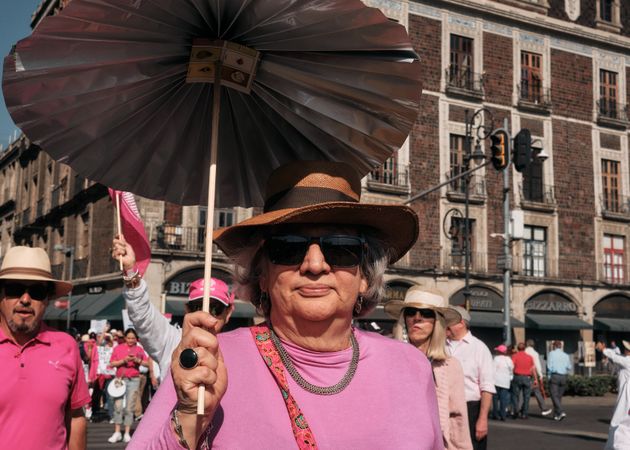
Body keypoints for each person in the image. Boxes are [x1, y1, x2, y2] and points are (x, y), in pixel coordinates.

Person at [131, 161, 443, 449]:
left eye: (340, 248)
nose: (315, 264)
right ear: (262, 275)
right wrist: (189, 415)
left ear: (365, 275)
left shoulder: (412, 367)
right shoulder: (208, 362)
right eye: (289, 248)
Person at [0, 246, 91, 449]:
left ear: (48, 299)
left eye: (37, 291)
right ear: (1, 295)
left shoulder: (67, 346)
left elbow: (76, 417)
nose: (25, 299)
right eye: (15, 289)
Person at [111, 235, 235, 381]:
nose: (205, 314)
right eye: (197, 306)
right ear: (187, 310)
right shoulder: (172, 341)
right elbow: (143, 316)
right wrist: (130, 270)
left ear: (228, 312)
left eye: (215, 308)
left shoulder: (239, 350)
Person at [386, 286, 472, 449]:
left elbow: (458, 419)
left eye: (426, 313)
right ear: (404, 318)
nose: (417, 318)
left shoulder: (450, 365)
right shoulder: (387, 358)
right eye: (411, 312)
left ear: (437, 321)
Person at [447, 305, 495, 450]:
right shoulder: (440, 345)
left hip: (470, 409)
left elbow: (487, 387)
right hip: (443, 408)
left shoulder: (479, 348)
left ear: (461, 323)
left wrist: (482, 419)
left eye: (448, 320)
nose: (444, 323)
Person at [107, 328, 149, 443]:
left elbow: (148, 364)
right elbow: (111, 363)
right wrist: (124, 361)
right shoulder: (118, 348)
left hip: (134, 379)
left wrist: (137, 360)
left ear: (136, 339)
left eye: (133, 338)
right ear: (125, 338)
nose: (131, 340)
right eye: (129, 338)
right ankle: (117, 432)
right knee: (118, 405)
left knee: (130, 407)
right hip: (120, 380)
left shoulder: (139, 349)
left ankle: (126, 432)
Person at [598, 340, 630, 449]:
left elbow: (615, 356)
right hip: (624, 395)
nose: (625, 350)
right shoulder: (626, 359)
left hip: (626, 397)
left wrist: (603, 349)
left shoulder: (627, 361)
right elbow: (617, 355)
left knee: (617, 422)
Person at [89, 331, 116, 421]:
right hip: (98, 373)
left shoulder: (113, 347)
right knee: (96, 394)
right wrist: (104, 332)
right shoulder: (96, 348)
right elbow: (98, 343)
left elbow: (112, 344)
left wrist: (109, 338)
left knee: (110, 394)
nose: (105, 340)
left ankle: (111, 414)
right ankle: (94, 412)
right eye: (104, 338)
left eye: (107, 339)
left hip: (109, 374)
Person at [525, 339, 552, 416]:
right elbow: (537, 365)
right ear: (533, 345)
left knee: (522, 392)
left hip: (523, 374)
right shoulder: (535, 353)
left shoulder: (524, 352)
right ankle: (544, 409)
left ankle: (517, 409)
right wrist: (540, 375)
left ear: (527, 344)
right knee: (537, 392)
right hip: (532, 375)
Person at [547, 340, 572, 421]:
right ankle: (556, 415)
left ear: (554, 346)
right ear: (561, 346)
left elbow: (549, 366)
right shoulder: (566, 355)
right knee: (558, 397)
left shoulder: (551, 354)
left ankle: (561, 411)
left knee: (554, 396)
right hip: (563, 376)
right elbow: (569, 367)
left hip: (555, 375)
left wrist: (548, 375)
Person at [510, 342, 535, 419]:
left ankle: (516, 411)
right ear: (525, 349)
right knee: (526, 397)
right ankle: (524, 413)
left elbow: (511, 366)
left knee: (515, 395)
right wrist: (534, 379)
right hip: (527, 377)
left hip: (517, 377)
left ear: (518, 348)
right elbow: (532, 368)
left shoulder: (514, 356)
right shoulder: (530, 357)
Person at [492, 345, 513, 421]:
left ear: (499, 351)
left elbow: (493, 369)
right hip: (505, 382)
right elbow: (511, 370)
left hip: (496, 381)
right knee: (503, 399)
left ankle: (495, 414)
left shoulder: (496, 359)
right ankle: (503, 415)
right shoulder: (509, 360)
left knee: (495, 399)